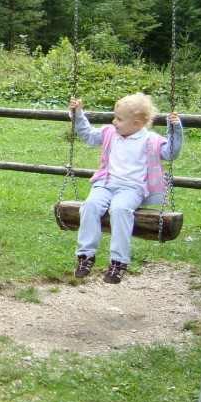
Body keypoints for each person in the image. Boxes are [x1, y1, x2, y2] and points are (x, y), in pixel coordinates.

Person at [68, 92, 183, 284]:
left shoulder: (150, 141)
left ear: (136, 124)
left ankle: (119, 261)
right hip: (106, 184)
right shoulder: (110, 134)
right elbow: (88, 135)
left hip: (132, 189)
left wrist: (175, 128)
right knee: (89, 206)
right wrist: (78, 114)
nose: (114, 121)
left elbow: (171, 153)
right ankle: (86, 256)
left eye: (119, 119)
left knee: (120, 210)